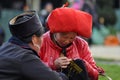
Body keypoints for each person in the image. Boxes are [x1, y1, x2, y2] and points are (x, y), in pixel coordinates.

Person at [39, 7, 104, 80]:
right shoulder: (41, 42)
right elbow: (32, 70)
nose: (67, 41)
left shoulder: (81, 44)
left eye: (72, 38)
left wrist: (82, 65)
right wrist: (53, 65)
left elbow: (95, 75)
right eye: (64, 37)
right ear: (55, 31)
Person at [0, 10, 62, 80]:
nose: (43, 40)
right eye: (42, 37)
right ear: (34, 39)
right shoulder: (25, 57)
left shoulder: (5, 47)